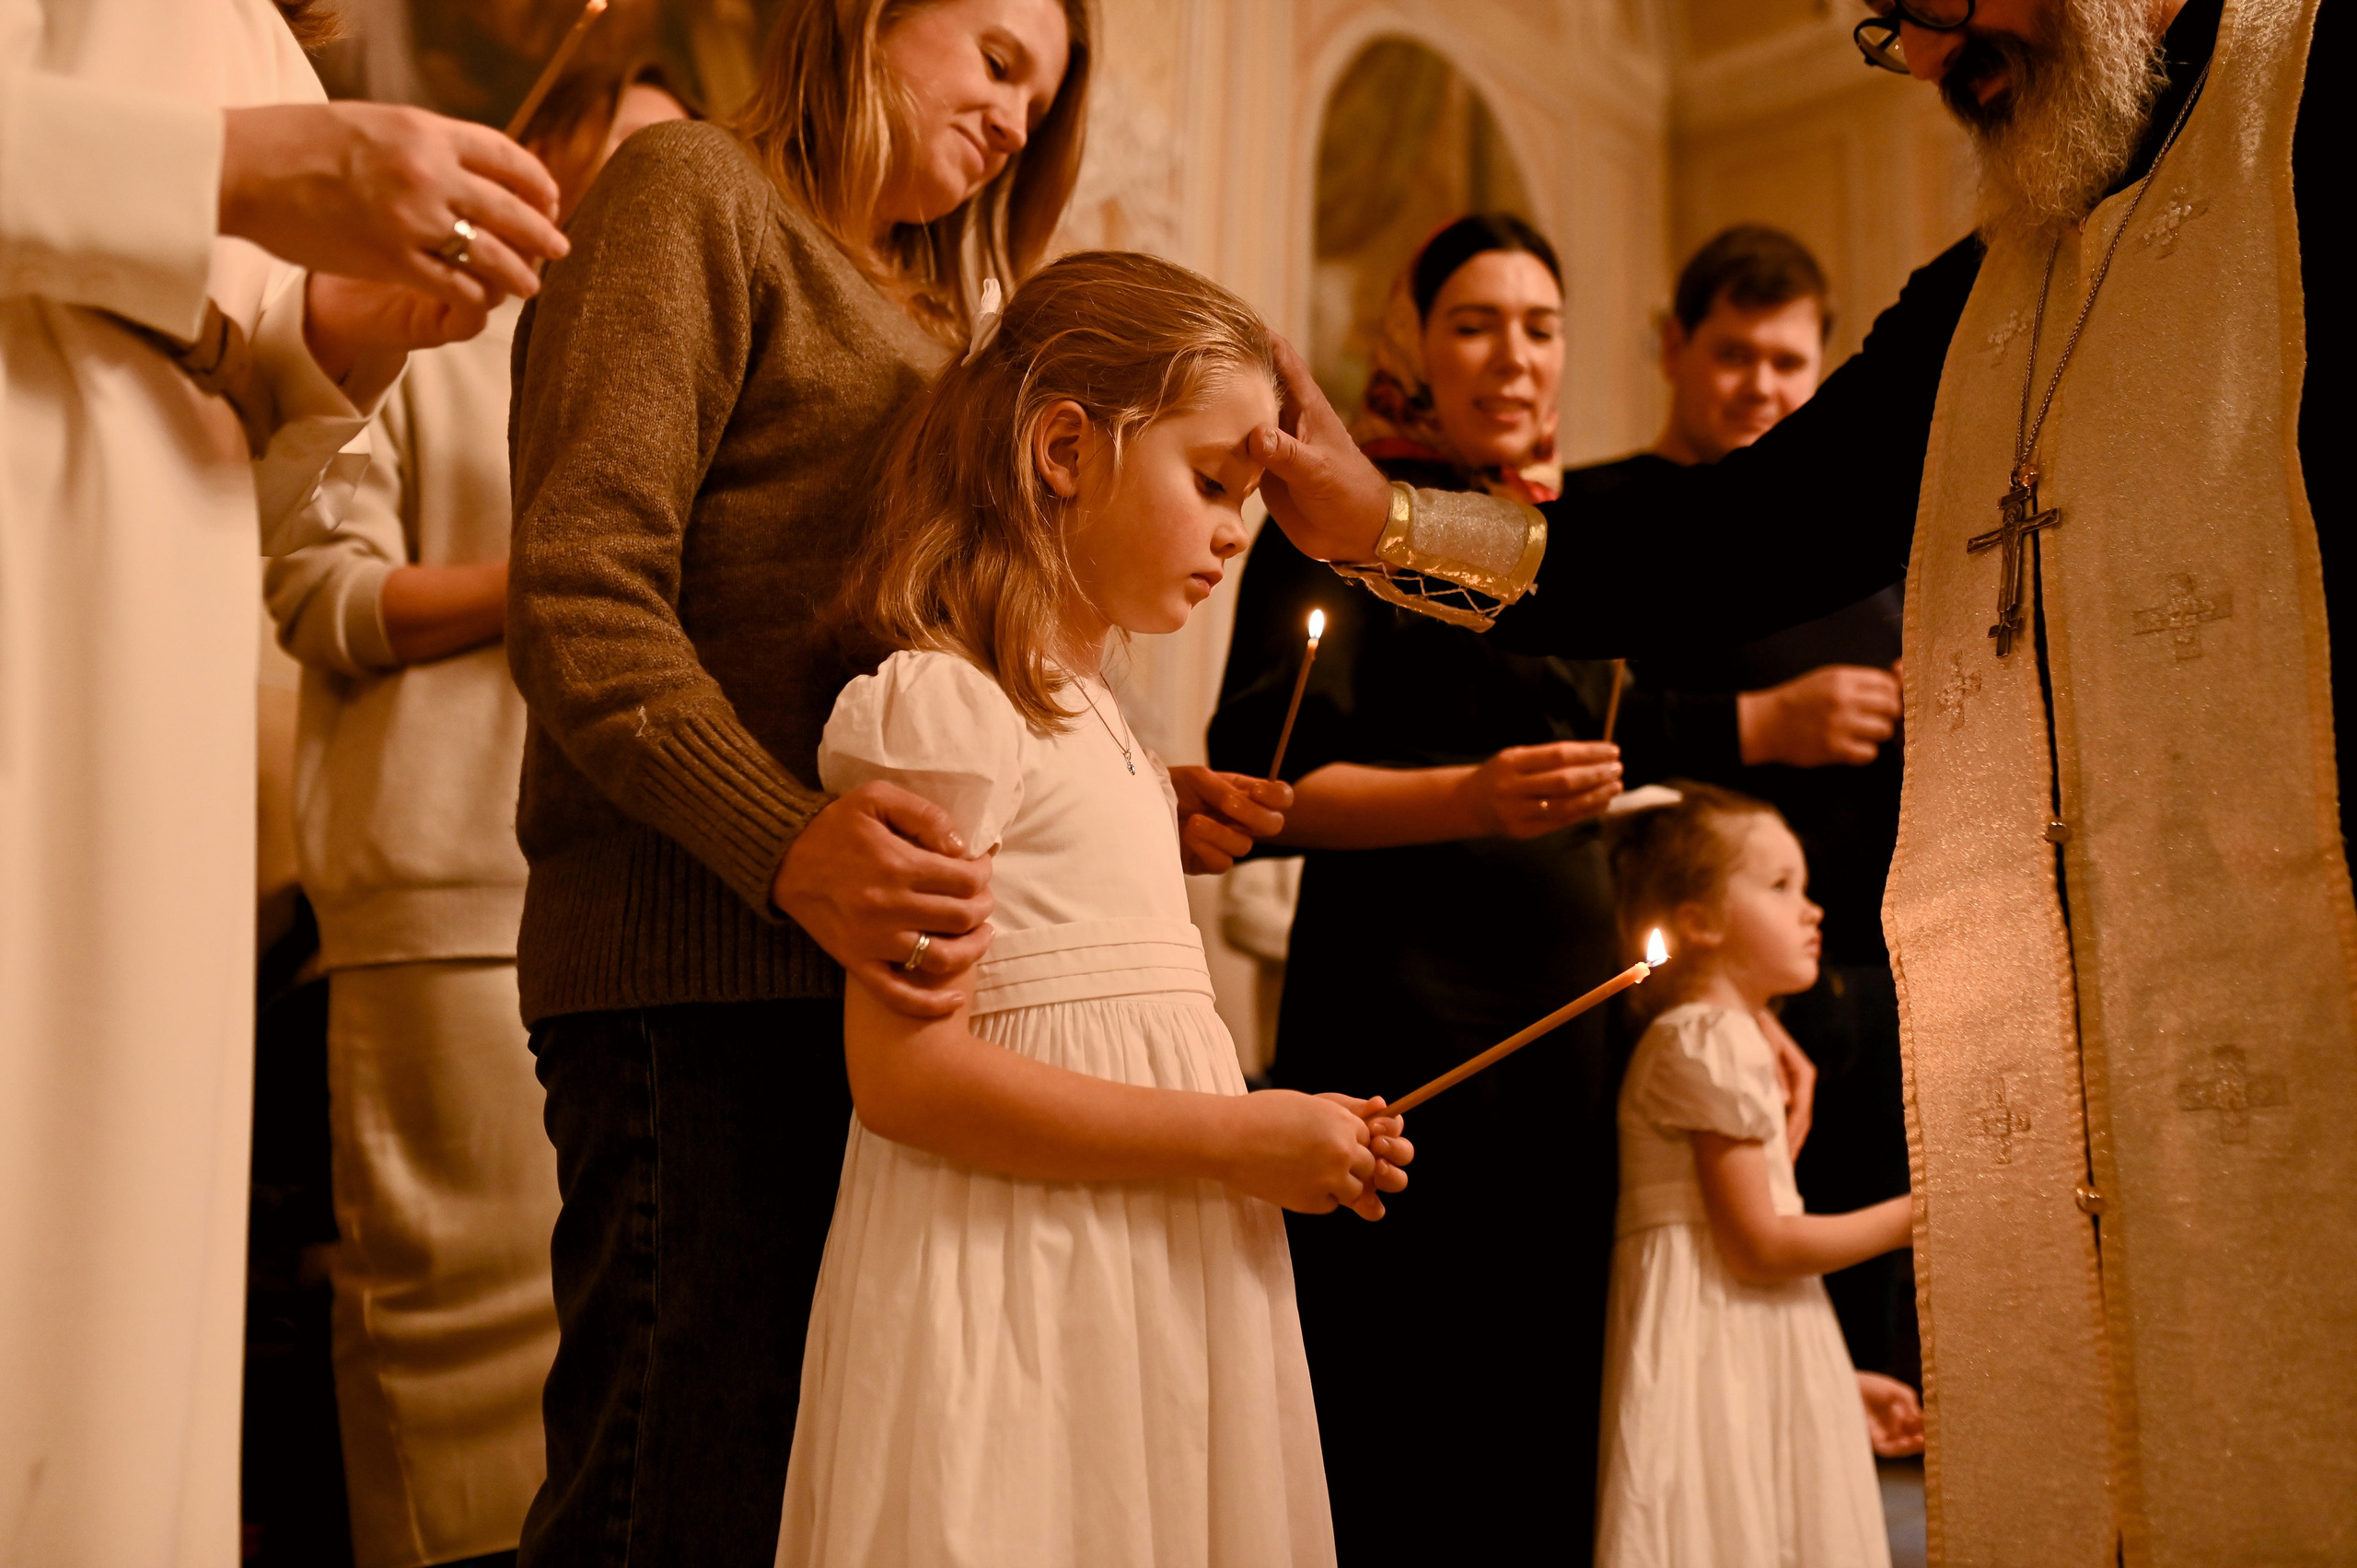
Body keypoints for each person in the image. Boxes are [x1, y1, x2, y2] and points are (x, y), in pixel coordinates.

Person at [1249, 0, 2353, 1554]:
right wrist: (1387, 520)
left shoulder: (2302, 101)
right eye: (1881, 25)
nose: (1916, 57)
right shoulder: (1991, 285)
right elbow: (1736, 537)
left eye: (1930, 7)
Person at [508, 4, 1284, 1561]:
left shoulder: (947, 323)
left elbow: (941, 662)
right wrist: (789, 842)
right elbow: (582, 596)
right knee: (671, 1493)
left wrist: (1104, 813)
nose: (1013, 118)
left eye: (1041, 97)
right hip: (693, 979)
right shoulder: (691, 192)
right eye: (997, 57)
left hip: (857, 979)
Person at [0, 3, 568, 1560]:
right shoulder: (265, 97)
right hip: (28, 564)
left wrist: (339, 335)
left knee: (127, 1261)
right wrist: (241, 167)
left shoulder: (262, 37)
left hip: (162, 625)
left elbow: (240, 428)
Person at [778, 249, 1407, 1568]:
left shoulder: (1104, 728)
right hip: (1021, 1282)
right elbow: (906, 1079)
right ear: (1066, 446)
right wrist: (1236, 1140)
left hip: (1145, 1277)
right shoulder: (944, 710)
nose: (1243, 531)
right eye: (1216, 480)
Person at [1208, 214, 1815, 1564]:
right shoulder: (1335, 524)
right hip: (1401, 1018)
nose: (1513, 356)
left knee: (1550, 1395)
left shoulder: (1561, 545)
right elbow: (1256, 788)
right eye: (1474, 323)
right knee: (1397, 1396)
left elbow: (1636, 746)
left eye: (1540, 328)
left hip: (1571, 1028)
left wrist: (1727, 1004)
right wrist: (1466, 797)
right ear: (1414, 343)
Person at [260, 66, 687, 1568]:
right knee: (440, 1372)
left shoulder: (684, 373)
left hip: (622, 918)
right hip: (434, 904)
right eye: (624, 166)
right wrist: (578, 576)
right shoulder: (422, 334)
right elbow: (322, 597)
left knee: (601, 1387)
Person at [1602, 226, 1917, 1379]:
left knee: (1862, 1334)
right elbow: (1576, 737)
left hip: (1870, 985)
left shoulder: (1863, 553)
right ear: (1675, 347)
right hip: (1692, 994)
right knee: (1718, 1326)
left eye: (1789, 361)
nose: (1763, 385)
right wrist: (1763, 723)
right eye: (1734, 354)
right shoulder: (1616, 524)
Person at [1596, 784, 1915, 1567]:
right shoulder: (1708, 1039)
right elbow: (1758, 1247)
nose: (1811, 910)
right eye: (1780, 888)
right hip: (1711, 1363)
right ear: (1699, 920)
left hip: (1735, 1353)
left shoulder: (1721, 1034)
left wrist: (1832, 1381)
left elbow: (1736, 1274)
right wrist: (1928, 1209)